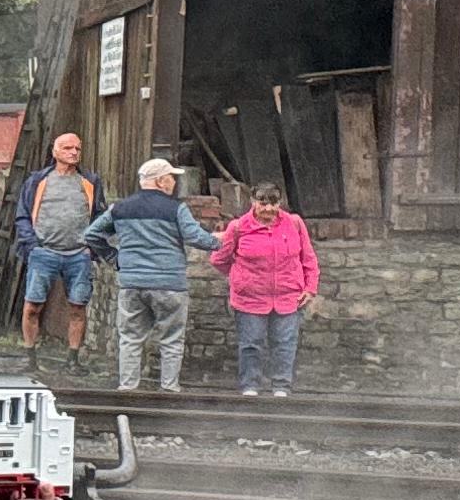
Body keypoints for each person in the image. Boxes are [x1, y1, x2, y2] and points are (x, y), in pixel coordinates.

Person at [81, 157, 214, 394]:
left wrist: (114, 258)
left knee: (131, 338)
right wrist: (220, 243)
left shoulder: (120, 208)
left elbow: (91, 234)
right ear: (161, 181)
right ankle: (169, 387)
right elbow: (195, 237)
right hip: (170, 283)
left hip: (132, 283)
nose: (173, 181)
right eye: (171, 177)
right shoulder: (176, 209)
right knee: (171, 339)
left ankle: (128, 387)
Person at [215, 182, 320, 396]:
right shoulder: (238, 227)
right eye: (263, 203)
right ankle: (250, 386)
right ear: (253, 202)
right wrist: (240, 278)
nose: (268, 209)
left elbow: (308, 258)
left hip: (288, 296)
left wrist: (310, 288)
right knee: (251, 344)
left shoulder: (294, 224)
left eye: (273, 203)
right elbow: (219, 259)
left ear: (279, 203)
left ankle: (281, 386)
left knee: (285, 344)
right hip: (250, 298)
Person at [14, 132, 99, 367]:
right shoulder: (37, 181)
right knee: (32, 306)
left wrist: (90, 248)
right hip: (44, 252)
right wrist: (32, 245)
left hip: (78, 254)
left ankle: (73, 359)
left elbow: (100, 217)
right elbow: (22, 215)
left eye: (77, 149)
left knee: (78, 307)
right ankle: (30, 356)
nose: (73, 153)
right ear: (55, 152)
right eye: (67, 148)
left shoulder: (90, 182)